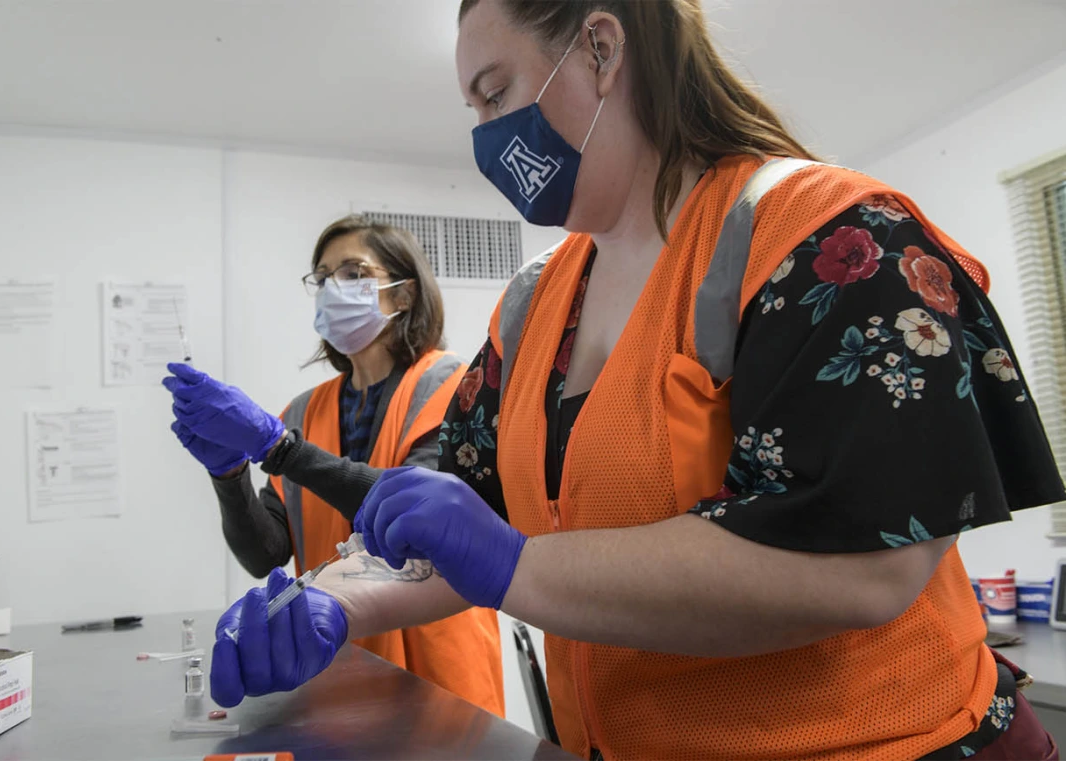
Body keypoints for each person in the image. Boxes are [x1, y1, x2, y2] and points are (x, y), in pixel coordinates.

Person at [200, 1, 1064, 758]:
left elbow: (865, 565)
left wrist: (513, 564)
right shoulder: (535, 303)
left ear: (602, 50)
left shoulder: (830, 236)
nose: (485, 136)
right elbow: (461, 519)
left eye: (497, 94)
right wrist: (334, 603)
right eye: (473, 108)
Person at [162, 215, 504, 717]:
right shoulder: (304, 411)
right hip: (333, 667)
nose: (331, 288)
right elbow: (267, 553)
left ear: (403, 295)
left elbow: (421, 521)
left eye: (352, 272)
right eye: (322, 277)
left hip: (438, 675)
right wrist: (229, 473)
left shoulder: (454, 388)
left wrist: (281, 450)